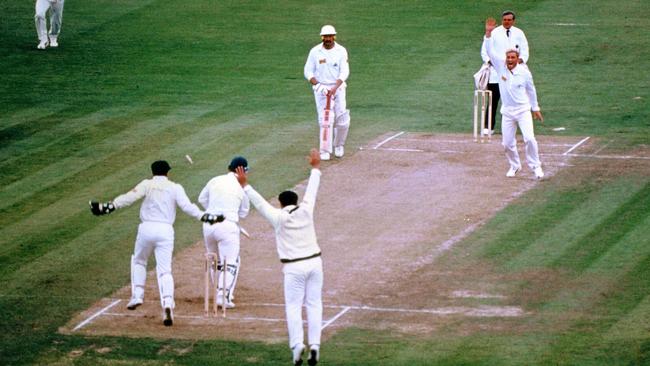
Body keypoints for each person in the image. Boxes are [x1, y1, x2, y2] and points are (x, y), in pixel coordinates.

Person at [89, 160, 222, 326]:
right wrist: (206, 217)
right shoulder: (175, 187)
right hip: (165, 231)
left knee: (139, 261)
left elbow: (129, 197)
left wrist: (108, 206)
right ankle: (167, 304)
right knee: (165, 270)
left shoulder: (147, 184)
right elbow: (188, 207)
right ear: (167, 172)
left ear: (153, 172)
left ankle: (137, 296)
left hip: (146, 228)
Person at [235, 149, 324, 366]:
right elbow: (312, 191)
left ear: (281, 203)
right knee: (314, 304)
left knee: (293, 307)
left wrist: (245, 185)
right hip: (314, 263)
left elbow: (259, 203)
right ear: (295, 201)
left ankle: (297, 346)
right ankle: (314, 346)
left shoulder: (278, 216)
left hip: (293, 268)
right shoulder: (305, 210)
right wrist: (315, 168)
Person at [484, 17, 544, 179]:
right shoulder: (501, 67)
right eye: (508, 58)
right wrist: (488, 33)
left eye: (513, 58)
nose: (510, 60)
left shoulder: (525, 72)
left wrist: (535, 108)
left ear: (517, 59)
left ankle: (535, 166)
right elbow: (490, 51)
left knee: (530, 139)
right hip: (508, 112)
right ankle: (515, 166)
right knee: (507, 144)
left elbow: (531, 91)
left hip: (523, 111)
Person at [198, 156, 251, 309]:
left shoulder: (214, 180)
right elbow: (244, 212)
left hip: (208, 224)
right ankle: (223, 296)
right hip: (228, 226)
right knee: (231, 263)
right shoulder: (241, 187)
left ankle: (219, 293)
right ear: (243, 171)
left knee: (215, 261)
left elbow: (202, 199)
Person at [304, 25, 351, 161]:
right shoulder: (315, 52)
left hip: (338, 88)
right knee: (325, 120)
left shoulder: (341, 51)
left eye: (330, 36)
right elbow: (307, 71)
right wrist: (318, 85)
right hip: (322, 90)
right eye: (325, 36)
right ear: (322, 37)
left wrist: (335, 86)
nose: (328, 39)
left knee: (342, 120)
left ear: (334, 36)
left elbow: (344, 71)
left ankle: (339, 145)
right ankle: (324, 150)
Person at [480, 10, 530, 134]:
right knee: (493, 99)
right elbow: (485, 51)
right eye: (504, 20)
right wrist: (493, 63)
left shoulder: (519, 33)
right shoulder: (494, 32)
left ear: (513, 21)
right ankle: (488, 127)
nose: (506, 22)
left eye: (509, 20)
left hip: (514, 73)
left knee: (512, 100)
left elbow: (525, 49)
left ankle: (510, 127)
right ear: (502, 20)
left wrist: (519, 61)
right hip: (497, 72)